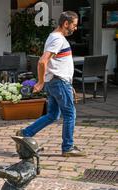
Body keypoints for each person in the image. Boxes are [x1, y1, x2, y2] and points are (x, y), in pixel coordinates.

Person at [17, 11, 86, 157]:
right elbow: (43, 61)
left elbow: (55, 63)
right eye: (74, 25)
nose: (75, 28)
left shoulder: (54, 37)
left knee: (53, 115)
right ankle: (68, 147)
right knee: (70, 114)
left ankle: (25, 133)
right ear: (65, 23)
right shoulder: (58, 39)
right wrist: (41, 82)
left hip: (57, 81)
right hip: (58, 82)